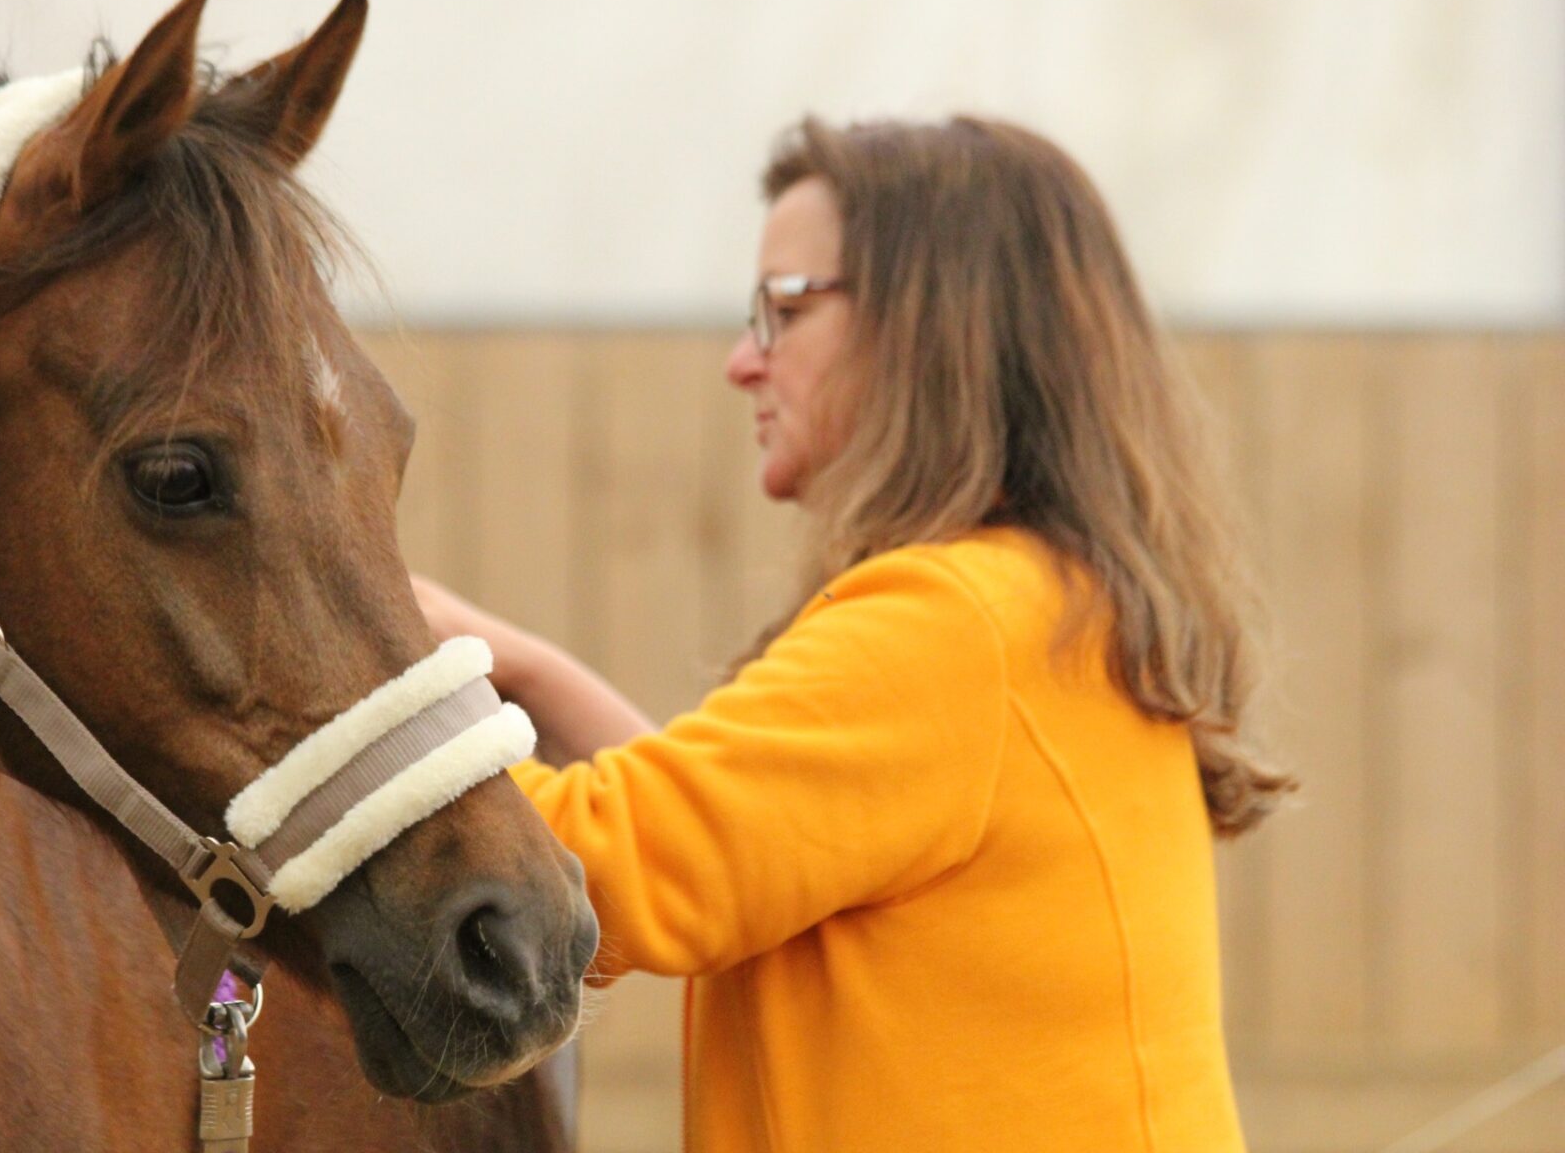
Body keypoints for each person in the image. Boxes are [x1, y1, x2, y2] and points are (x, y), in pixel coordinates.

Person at [414, 115, 1293, 1152]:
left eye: (783, 310)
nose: (745, 361)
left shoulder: (953, 626)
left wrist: (347, 706)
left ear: (934, 328)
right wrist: (521, 663)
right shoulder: (1039, 606)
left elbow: (607, 866)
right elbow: (739, 838)